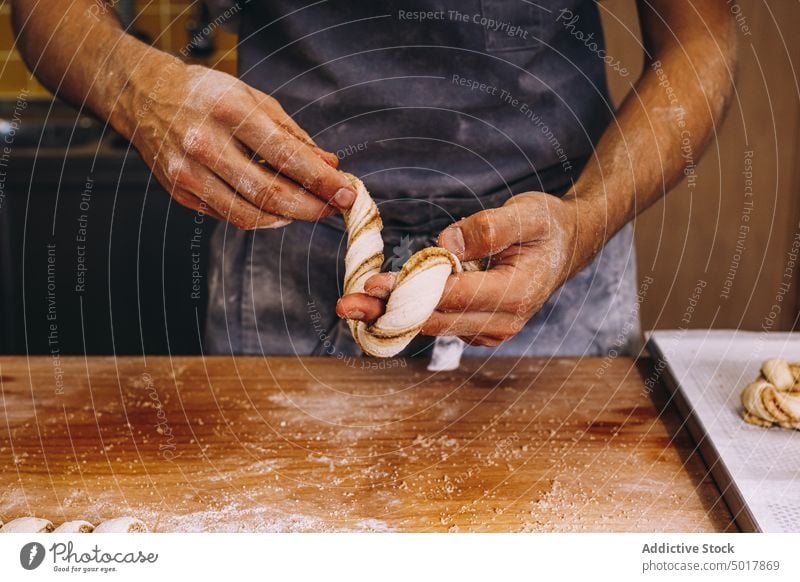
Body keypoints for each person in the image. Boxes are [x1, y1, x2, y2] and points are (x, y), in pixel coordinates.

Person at [12, 1, 736, 358]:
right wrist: (136, 85)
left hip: (554, 258)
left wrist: (586, 217)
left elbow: (701, 37)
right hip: (280, 259)